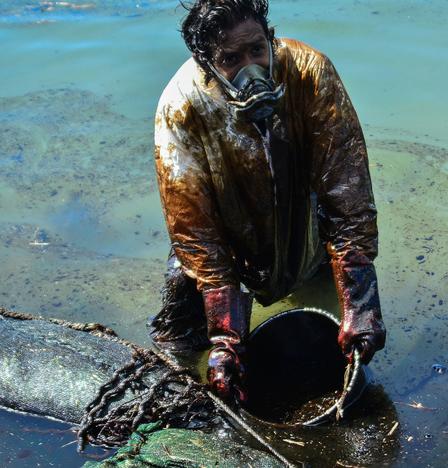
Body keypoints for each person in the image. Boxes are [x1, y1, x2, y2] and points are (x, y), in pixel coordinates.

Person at [150, 0, 386, 402]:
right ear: (206, 63)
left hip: (304, 227)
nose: (251, 68)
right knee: (181, 348)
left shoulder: (310, 72)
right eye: (231, 59)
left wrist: (362, 302)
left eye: (257, 50)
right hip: (227, 242)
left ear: (270, 40)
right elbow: (194, 227)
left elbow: (346, 188)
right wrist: (226, 340)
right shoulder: (180, 107)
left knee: (332, 317)